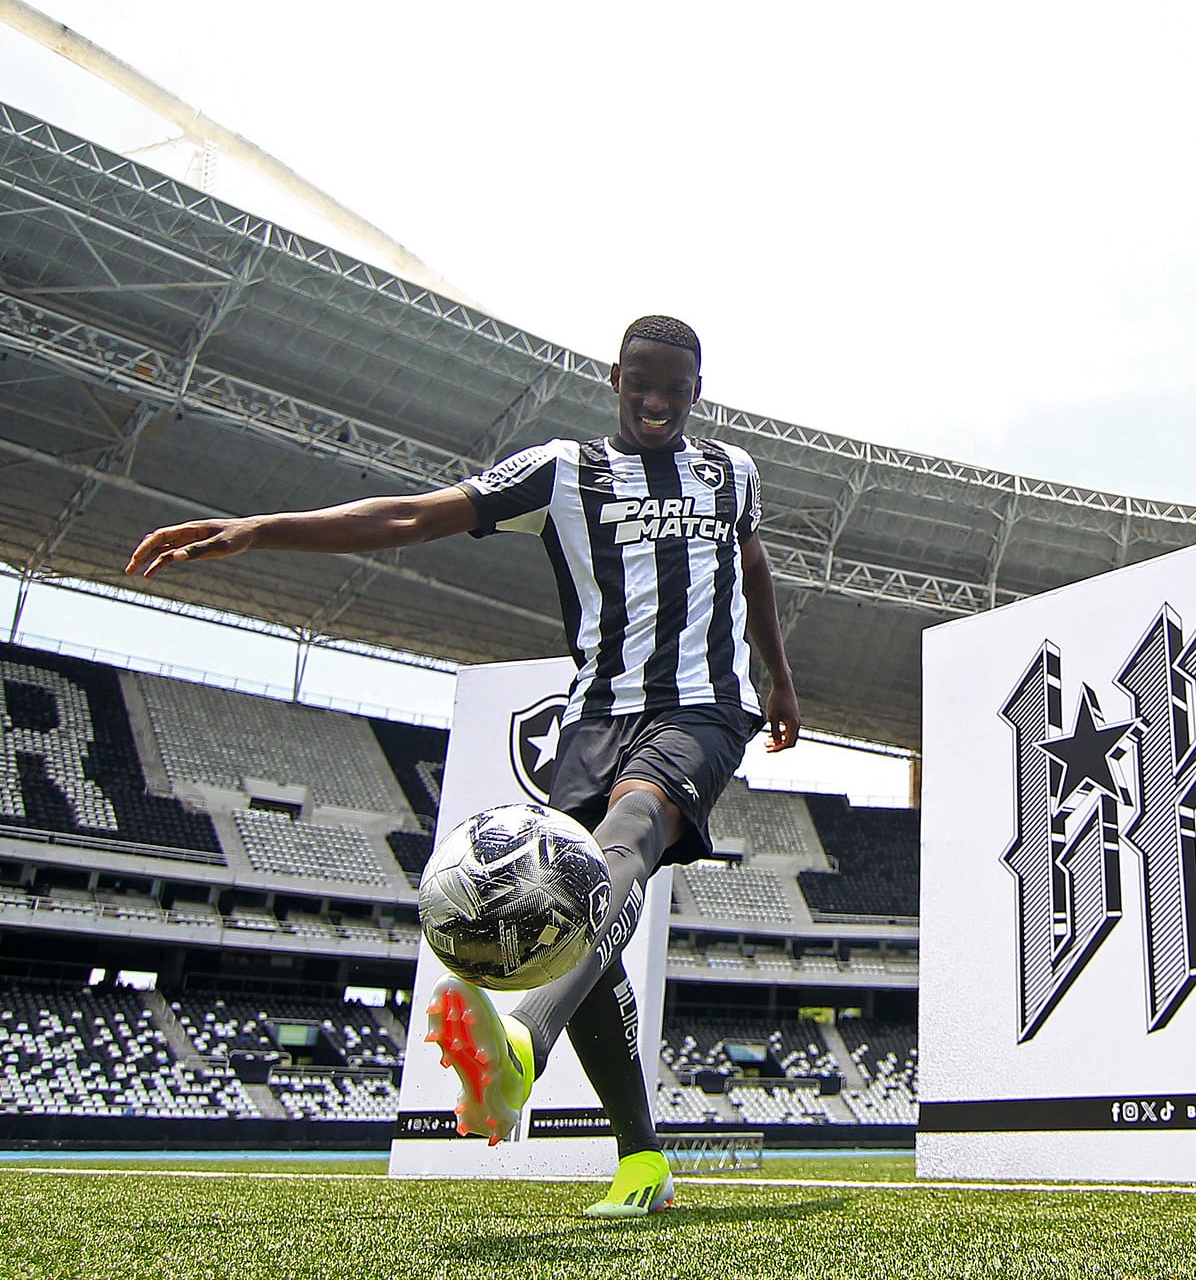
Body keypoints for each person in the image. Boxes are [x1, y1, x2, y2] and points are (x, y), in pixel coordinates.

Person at [127, 315, 799, 1218]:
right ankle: (643, 1160)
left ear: (697, 391)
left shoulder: (731, 470)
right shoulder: (560, 469)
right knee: (575, 916)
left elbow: (750, 560)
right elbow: (412, 514)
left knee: (628, 835)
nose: (656, 401)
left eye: (675, 388)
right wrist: (259, 529)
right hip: (594, 716)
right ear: (615, 377)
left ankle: (520, 1045)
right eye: (641, 382)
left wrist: (778, 678)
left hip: (702, 705)